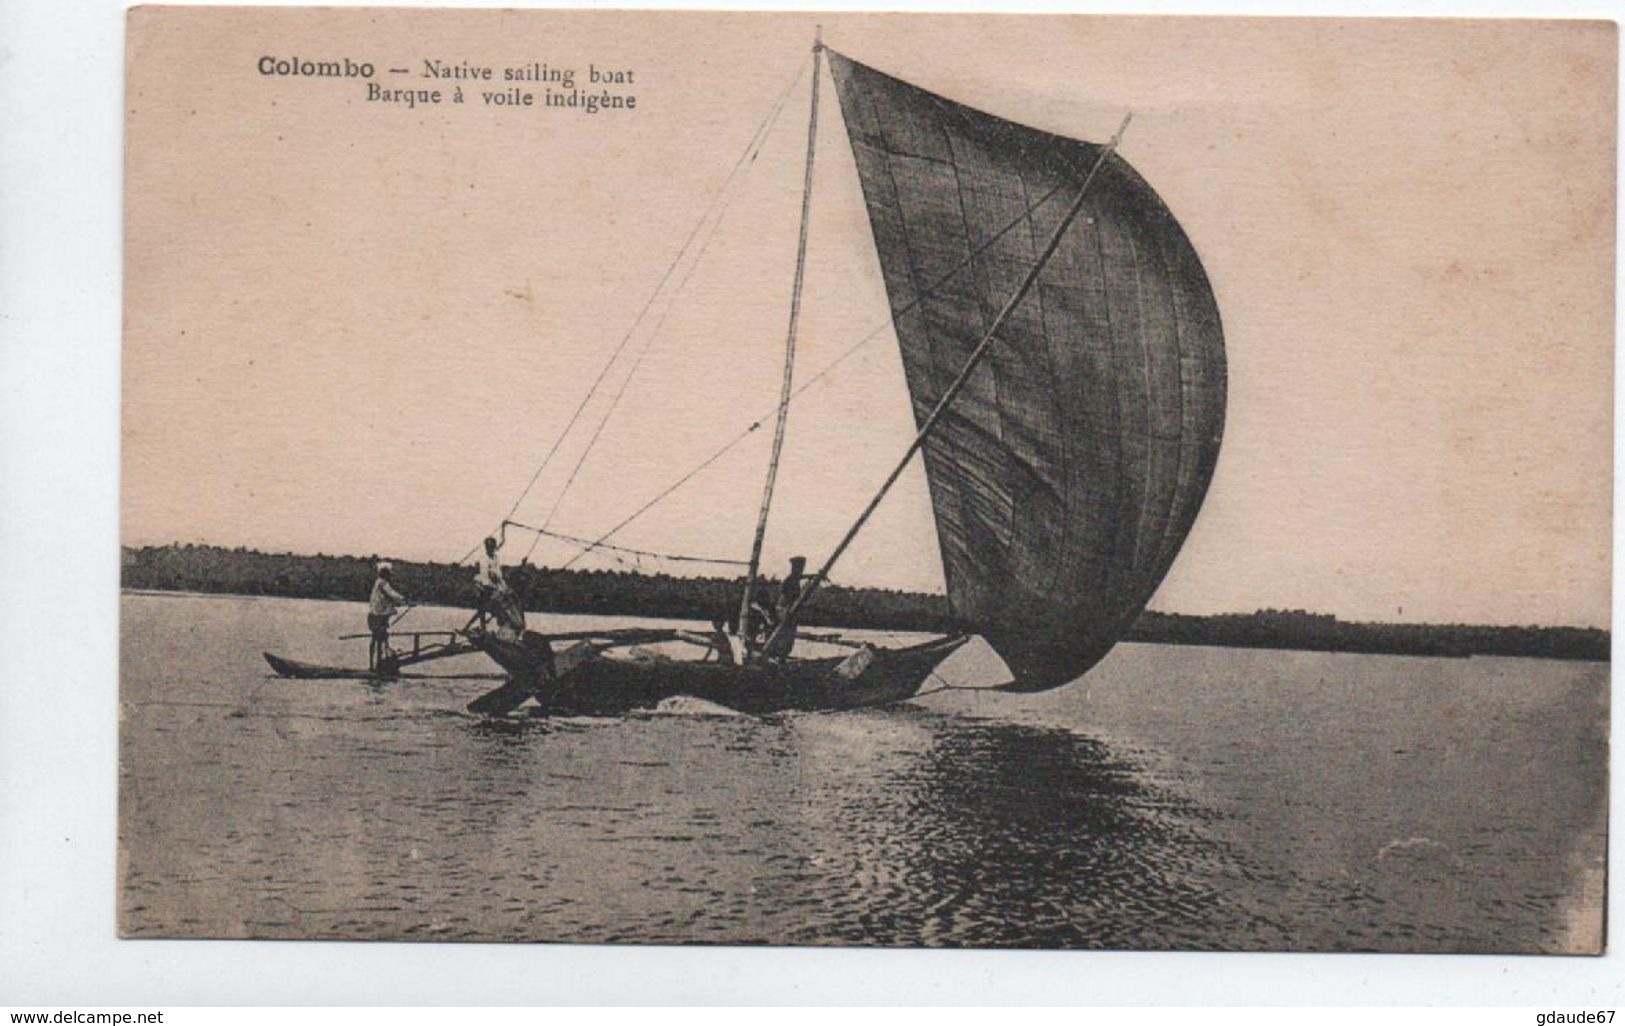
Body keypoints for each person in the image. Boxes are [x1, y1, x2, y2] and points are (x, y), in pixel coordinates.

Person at [762, 556, 821, 661]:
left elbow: (800, 577)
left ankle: (780, 655)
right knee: (785, 633)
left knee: (788, 634)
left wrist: (812, 576)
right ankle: (778, 655)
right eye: (799, 568)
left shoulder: (794, 579)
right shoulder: (790, 581)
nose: (800, 570)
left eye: (801, 568)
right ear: (794, 568)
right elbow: (785, 597)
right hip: (784, 609)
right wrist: (787, 610)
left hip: (788, 609)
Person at [368, 562, 408, 671]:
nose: (389, 576)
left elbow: (388, 597)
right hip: (379, 616)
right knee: (380, 638)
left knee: (377, 639)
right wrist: (403, 599)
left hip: (375, 615)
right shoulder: (382, 583)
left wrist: (399, 601)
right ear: (385, 574)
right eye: (388, 574)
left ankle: (374, 664)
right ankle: (377, 664)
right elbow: (391, 594)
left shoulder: (378, 583)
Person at [471, 533, 506, 629]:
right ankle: (483, 626)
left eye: (492, 547)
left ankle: (499, 625)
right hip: (482, 586)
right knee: (482, 608)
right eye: (488, 547)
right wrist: (497, 588)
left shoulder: (495, 557)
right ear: (486, 547)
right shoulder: (484, 560)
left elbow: (502, 542)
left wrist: (503, 530)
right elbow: (485, 580)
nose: (490, 549)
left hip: (493, 584)